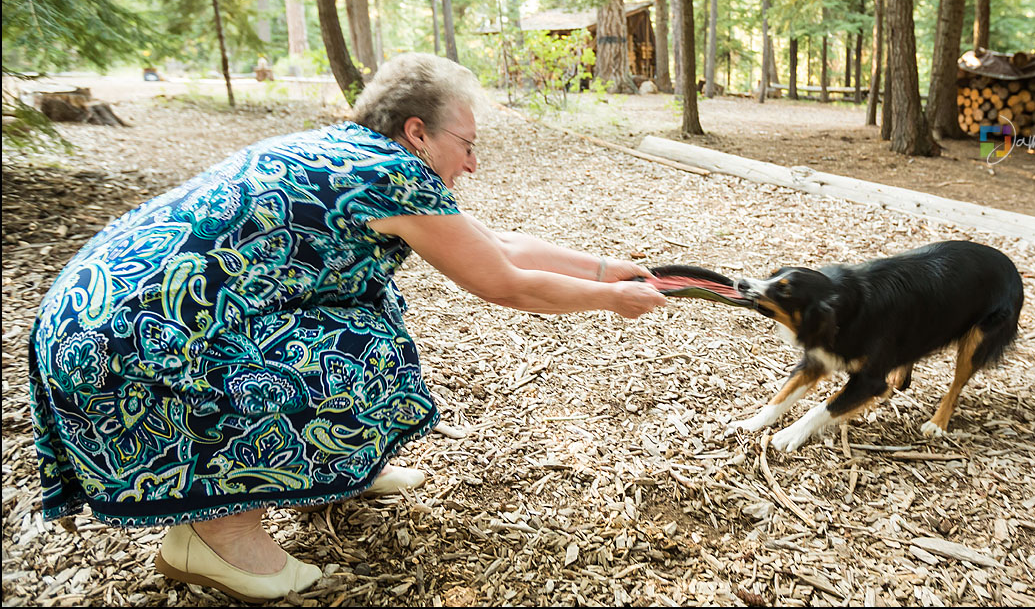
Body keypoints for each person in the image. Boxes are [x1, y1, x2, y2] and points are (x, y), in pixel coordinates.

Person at [28, 52, 666, 602]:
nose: (471, 164)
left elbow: (490, 244)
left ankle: (332, 472)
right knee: (363, 351)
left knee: (367, 312)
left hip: (90, 323)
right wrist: (610, 300)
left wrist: (607, 269)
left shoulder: (348, 152)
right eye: (467, 145)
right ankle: (212, 536)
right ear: (417, 132)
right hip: (127, 345)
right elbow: (502, 281)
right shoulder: (392, 174)